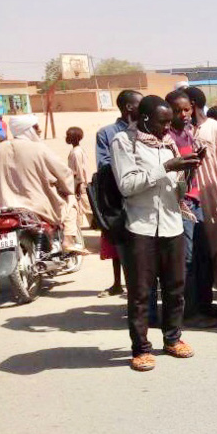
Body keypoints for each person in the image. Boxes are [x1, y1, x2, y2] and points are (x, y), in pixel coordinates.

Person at [111, 95, 202, 372]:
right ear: (146, 119)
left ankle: (172, 338)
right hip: (141, 226)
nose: (167, 127)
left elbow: (176, 189)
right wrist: (166, 167)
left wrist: (187, 172)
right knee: (140, 292)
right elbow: (127, 185)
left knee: (175, 288)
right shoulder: (124, 142)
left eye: (169, 122)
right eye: (163, 122)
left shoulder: (169, 143)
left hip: (172, 224)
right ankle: (140, 349)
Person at [0, 115, 86, 254]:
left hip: (4, 207)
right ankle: (68, 239)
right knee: (71, 200)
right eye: (37, 127)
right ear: (29, 130)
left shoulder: (0, 148)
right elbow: (64, 173)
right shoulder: (39, 148)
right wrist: (67, 187)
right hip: (36, 206)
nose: (39, 131)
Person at [187, 86, 217, 317]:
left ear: (193, 105)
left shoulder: (214, 129)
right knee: (198, 251)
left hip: (214, 196)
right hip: (191, 200)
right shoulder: (183, 131)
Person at [165, 91, 211, 320]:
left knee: (202, 256)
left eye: (186, 110)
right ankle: (188, 311)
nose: (183, 114)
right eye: (177, 110)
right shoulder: (167, 138)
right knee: (187, 258)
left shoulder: (189, 133)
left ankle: (202, 305)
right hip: (180, 203)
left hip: (195, 198)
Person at [95, 89, 142, 297]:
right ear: (129, 107)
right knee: (119, 240)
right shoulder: (107, 133)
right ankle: (119, 283)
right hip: (117, 194)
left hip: (141, 192)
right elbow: (103, 164)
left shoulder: (146, 129)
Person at [66, 127, 93, 226]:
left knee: (87, 209)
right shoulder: (79, 150)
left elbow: (79, 172)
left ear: (74, 138)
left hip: (80, 186)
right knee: (81, 209)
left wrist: (77, 187)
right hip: (81, 185)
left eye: (68, 136)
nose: (66, 138)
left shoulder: (76, 153)